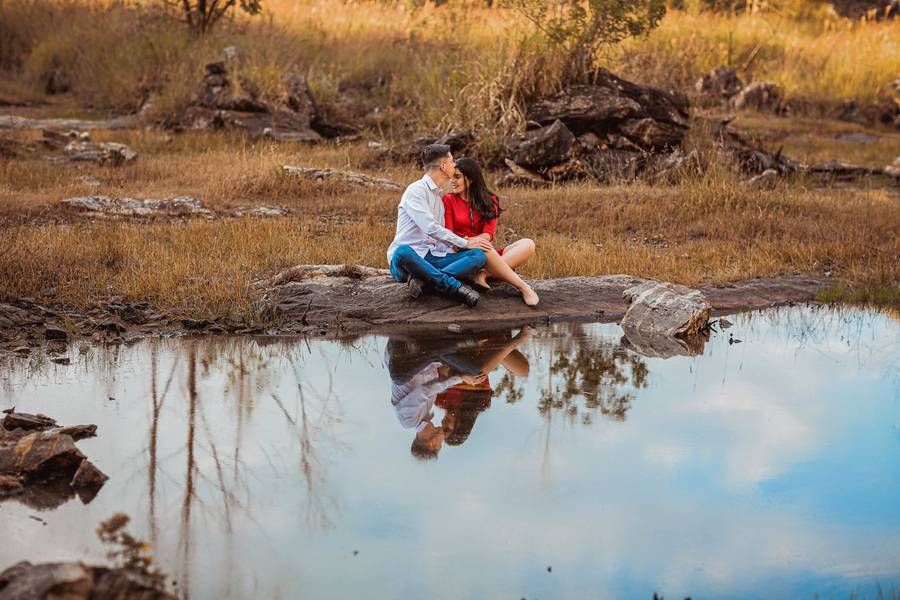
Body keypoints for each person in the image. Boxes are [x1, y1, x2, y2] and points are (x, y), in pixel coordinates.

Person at [386, 144, 492, 307]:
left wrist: (461, 247)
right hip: (408, 261)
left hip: (432, 257)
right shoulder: (416, 191)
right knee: (402, 251)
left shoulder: (439, 196)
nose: (454, 165)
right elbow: (430, 228)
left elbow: (441, 237)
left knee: (478, 256)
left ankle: (427, 282)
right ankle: (453, 287)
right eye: (451, 161)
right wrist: (464, 242)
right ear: (443, 166)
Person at [443, 157, 539, 306]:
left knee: (528, 244)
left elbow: (488, 233)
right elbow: (449, 235)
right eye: (452, 177)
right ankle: (524, 287)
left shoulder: (490, 200)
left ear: (471, 179)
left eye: (458, 177)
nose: (452, 181)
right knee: (482, 247)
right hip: (463, 253)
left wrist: (477, 241)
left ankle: (484, 274)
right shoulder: (448, 200)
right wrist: (470, 242)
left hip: (487, 252)